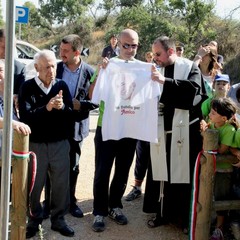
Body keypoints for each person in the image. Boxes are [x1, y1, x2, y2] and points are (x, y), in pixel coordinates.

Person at [91, 29, 160, 232]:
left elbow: (156, 95)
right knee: (102, 171)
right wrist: (101, 71)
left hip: (131, 127)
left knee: (122, 170)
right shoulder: (107, 65)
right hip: (108, 126)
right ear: (117, 45)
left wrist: (156, 78)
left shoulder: (146, 68)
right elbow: (93, 95)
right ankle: (99, 211)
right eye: (126, 45)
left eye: (134, 45)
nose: (130, 49)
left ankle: (115, 206)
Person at [143, 36, 204, 232]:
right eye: (154, 55)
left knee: (182, 177)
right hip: (161, 130)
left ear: (171, 51)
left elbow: (194, 92)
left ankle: (183, 219)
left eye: (158, 54)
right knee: (162, 175)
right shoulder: (155, 68)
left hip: (184, 132)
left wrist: (165, 81)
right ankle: (162, 213)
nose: (156, 58)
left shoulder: (189, 68)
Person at [18, 50, 76, 238]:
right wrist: (47, 108)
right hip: (37, 145)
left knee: (61, 185)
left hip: (60, 144)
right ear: (36, 68)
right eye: (47, 67)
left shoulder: (61, 85)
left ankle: (58, 220)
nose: (52, 70)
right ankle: (34, 220)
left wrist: (62, 108)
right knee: (35, 185)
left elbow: (70, 117)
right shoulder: (27, 87)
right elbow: (26, 118)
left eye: (54, 66)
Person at [42, 34, 96, 219]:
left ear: (77, 52)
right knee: (51, 165)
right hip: (55, 127)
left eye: (65, 51)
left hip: (76, 128)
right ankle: (49, 203)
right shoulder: (55, 68)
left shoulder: (90, 72)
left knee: (73, 166)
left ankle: (70, 202)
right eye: (60, 49)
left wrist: (80, 104)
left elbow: (96, 101)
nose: (61, 53)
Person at [200, 98, 238, 240]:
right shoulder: (214, 124)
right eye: (211, 111)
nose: (210, 114)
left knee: (221, 197)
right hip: (213, 169)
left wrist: (206, 134)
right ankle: (211, 222)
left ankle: (219, 228)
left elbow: (221, 150)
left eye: (214, 113)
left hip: (224, 170)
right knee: (211, 194)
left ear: (223, 118)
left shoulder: (229, 129)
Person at [0, 29, 26, 113]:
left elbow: (22, 94)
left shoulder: (19, 69)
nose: (7, 52)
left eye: (11, 48)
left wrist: (16, 97)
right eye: (4, 47)